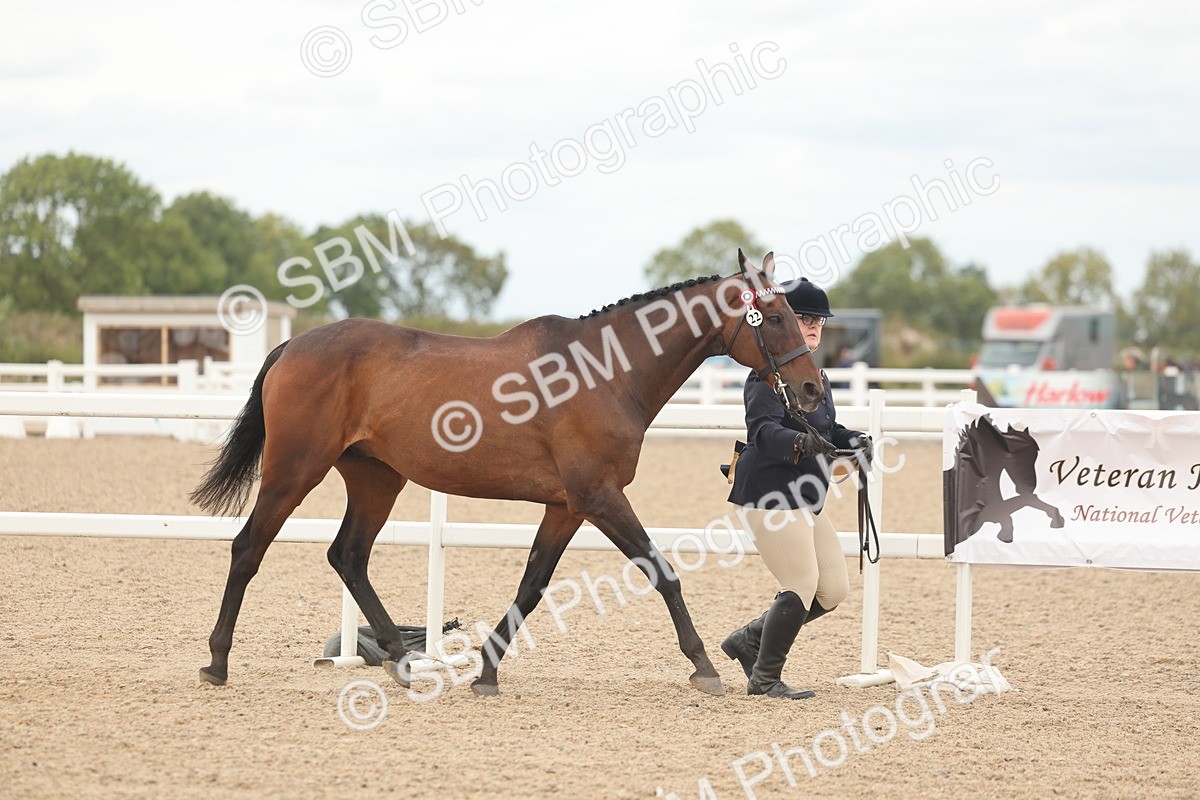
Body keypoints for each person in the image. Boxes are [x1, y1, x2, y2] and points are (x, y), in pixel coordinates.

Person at [722, 277, 871, 699]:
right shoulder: (764, 377)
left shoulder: (815, 375)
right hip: (769, 493)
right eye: (804, 319)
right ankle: (765, 679)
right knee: (801, 585)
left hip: (807, 497)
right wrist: (799, 443)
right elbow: (763, 432)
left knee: (833, 589)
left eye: (817, 322)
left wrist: (854, 439)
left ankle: (749, 640)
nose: (812, 327)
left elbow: (828, 429)